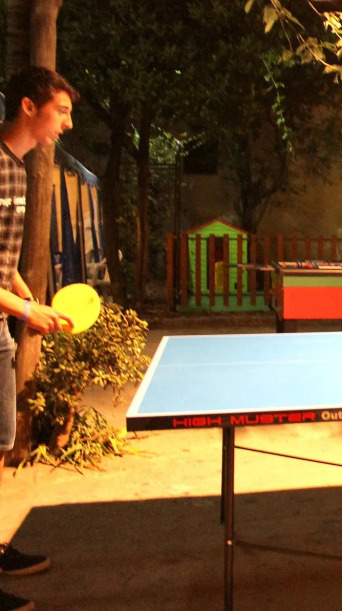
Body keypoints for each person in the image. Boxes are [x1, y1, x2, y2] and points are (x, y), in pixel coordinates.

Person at [0, 66, 78, 611]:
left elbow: (2, 261)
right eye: (62, 111)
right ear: (29, 106)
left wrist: (28, 298)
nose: (67, 124)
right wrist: (27, 309)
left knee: (1, 445)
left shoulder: (17, 168)